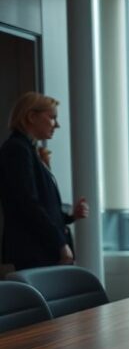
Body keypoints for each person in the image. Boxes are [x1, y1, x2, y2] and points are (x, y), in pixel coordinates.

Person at [0, 92, 89, 270]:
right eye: (52, 117)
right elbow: (27, 204)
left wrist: (70, 216)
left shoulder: (27, 150)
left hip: (39, 250)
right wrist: (59, 243)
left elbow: (37, 204)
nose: (57, 125)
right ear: (32, 117)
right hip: (35, 251)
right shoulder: (18, 150)